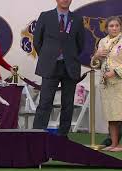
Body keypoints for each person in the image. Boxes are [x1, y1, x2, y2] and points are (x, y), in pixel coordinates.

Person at [32, 0, 85, 136]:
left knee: (67, 105)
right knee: (45, 103)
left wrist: (69, 56)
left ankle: (63, 137)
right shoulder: (45, 16)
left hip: (70, 66)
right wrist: (49, 56)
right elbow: (37, 41)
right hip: (50, 66)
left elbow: (80, 44)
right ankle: (37, 136)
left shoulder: (77, 19)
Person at [92, 16, 122, 152]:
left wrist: (115, 72)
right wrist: (96, 56)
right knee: (112, 116)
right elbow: (96, 65)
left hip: (120, 82)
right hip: (107, 84)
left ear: (120, 27)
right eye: (111, 26)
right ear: (106, 28)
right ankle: (114, 144)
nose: (114, 28)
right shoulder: (103, 42)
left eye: (116, 25)